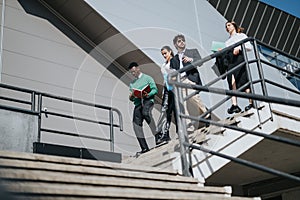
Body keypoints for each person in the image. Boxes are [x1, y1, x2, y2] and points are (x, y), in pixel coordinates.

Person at [170, 34, 210, 131]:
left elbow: (200, 62)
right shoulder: (173, 59)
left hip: (190, 79)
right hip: (180, 82)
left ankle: (207, 115)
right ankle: (189, 126)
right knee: (182, 104)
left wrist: (191, 60)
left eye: (183, 40)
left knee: (195, 99)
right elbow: (172, 72)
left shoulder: (192, 51)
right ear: (175, 45)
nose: (182, 42)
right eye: (179, 41)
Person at [128, 62, 159, 154]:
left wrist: (148, 94)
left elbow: (155, 89)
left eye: (134, 71)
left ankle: (158, 137)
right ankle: (144, 148)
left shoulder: (147, 78)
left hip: (147, 100)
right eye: (131, 72)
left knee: (146, 113)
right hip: (138, 103)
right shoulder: (132, 84)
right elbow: (130, 98)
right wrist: (132, 95)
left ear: (138, 68)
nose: (133, 73)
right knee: (136, 125)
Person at [223, 21, 253, 114]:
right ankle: (234, 105)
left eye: (229, 25)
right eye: (226, 26)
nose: (227, 27)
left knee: (243, 80)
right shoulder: (227, 41)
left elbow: (249, 47)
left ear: (234, 26)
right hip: (230, 61)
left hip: (239, 59)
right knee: (231, 82)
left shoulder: (241, 36)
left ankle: (251, 102)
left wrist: (239, 47)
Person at [156, 46, 177, 144]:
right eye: (163, 54)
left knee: (177, 110)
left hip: (176, 88)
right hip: (168, 89)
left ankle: (179, 131)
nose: (164, 56)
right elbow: (165, 79)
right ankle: (165, 134)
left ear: (170, 52)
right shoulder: (163, 66)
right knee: (165, 111)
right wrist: (163, 92)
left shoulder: (175, 61)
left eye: (165, 53)